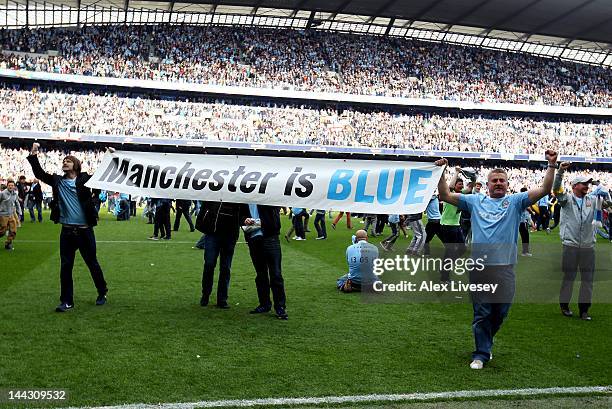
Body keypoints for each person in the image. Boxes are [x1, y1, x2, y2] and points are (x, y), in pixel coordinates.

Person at [435, 150, 557, 370]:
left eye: (502, 180)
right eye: (495, 181)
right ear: (488, 184)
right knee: (482, 312)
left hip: (505, 268)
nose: (498, 183)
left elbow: (545, 189)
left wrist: (551, 165)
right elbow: (445, 195)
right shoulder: (475, 201)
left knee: (500, 311)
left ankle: (486, 341)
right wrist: (442, 171)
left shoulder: (516, 201)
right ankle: (481, 353)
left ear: (507, 184)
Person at [27, 143, 108, 312]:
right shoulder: (57, 181)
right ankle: (66, 301)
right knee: (65, 266)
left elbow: (102, 177)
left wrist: (110, 155)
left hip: (85, 230)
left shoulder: (85, 179)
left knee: (92, 263)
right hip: (67, 231)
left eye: (68, 161)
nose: (64, 163)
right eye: (63, 161)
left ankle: (102, 292)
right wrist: (34, 155)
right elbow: (39, 174)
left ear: (76, 165)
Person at [554, 164, 612, 320]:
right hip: (570, 245)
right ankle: (564, 305)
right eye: (584, 183)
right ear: (574, 186)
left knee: (588, 280)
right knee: (569, 277)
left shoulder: (593, 200)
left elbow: (609, 203)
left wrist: (600, 185)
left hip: (588, 246)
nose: (587, 186)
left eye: (588, 183)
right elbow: (555, 189)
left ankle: (584, 310)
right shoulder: (566, 199)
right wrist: (560, 171)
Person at [241, 204, 288, 319]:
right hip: (253, 238)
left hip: (270, 237)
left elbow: (275, 212)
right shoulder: (245, 196)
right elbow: (240, 214)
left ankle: (280, 307)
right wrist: (243, 219)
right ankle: (264, 304)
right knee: (261, 274)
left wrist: (261, 222)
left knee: (275, 274)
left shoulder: (268, 194)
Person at [195, 201, 243, 309]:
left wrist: (244, 220)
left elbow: (243, 212)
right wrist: (201, 223)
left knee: (225, 267)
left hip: (229, 235)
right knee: (209, 264)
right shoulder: (216, 192)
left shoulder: (237, 196)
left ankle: (221, 299)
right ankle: (206, 294)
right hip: (213, 234)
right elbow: (205, 205)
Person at [0, 179, 22, 250]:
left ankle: (8, 244)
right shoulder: (2, 193)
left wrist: (20, 212)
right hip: (3, 215)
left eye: (12, 185)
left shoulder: (15, 194)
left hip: (11, 215)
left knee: (13, 230)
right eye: (9, 185)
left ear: (14, 186)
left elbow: (17, 203)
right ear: (7, 186)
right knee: (3, 231)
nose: (10, 186)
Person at [518, 187, 533, 257]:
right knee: (525, 236)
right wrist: (531, 211)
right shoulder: (523, 199)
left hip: (521, 221)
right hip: (522, 222)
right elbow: (528, 208)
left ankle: (525, 251)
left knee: (525, 236)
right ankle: (525, 252)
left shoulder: (519, 198)